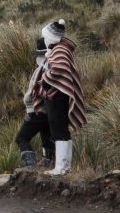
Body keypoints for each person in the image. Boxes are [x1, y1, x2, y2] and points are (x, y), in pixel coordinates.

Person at [32, 19, 86, 175]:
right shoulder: (60, 48)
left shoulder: (60, 49)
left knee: (58, 130)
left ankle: (60, 168)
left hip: (57, 96)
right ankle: (65, 166)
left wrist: (46, 82)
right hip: (60, 94)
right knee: (62, 131)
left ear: (50, 36)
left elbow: (59, 69)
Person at [14, 37, 55, 169]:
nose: (37, 57)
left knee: (21, 138)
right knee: (46, 138)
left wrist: (31, 109)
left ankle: (30, 165)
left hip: (39, 111)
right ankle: (49, 162)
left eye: (39, 54)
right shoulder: (45, 68)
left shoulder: (45, 69)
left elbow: (40, 91)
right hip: (46, 112)